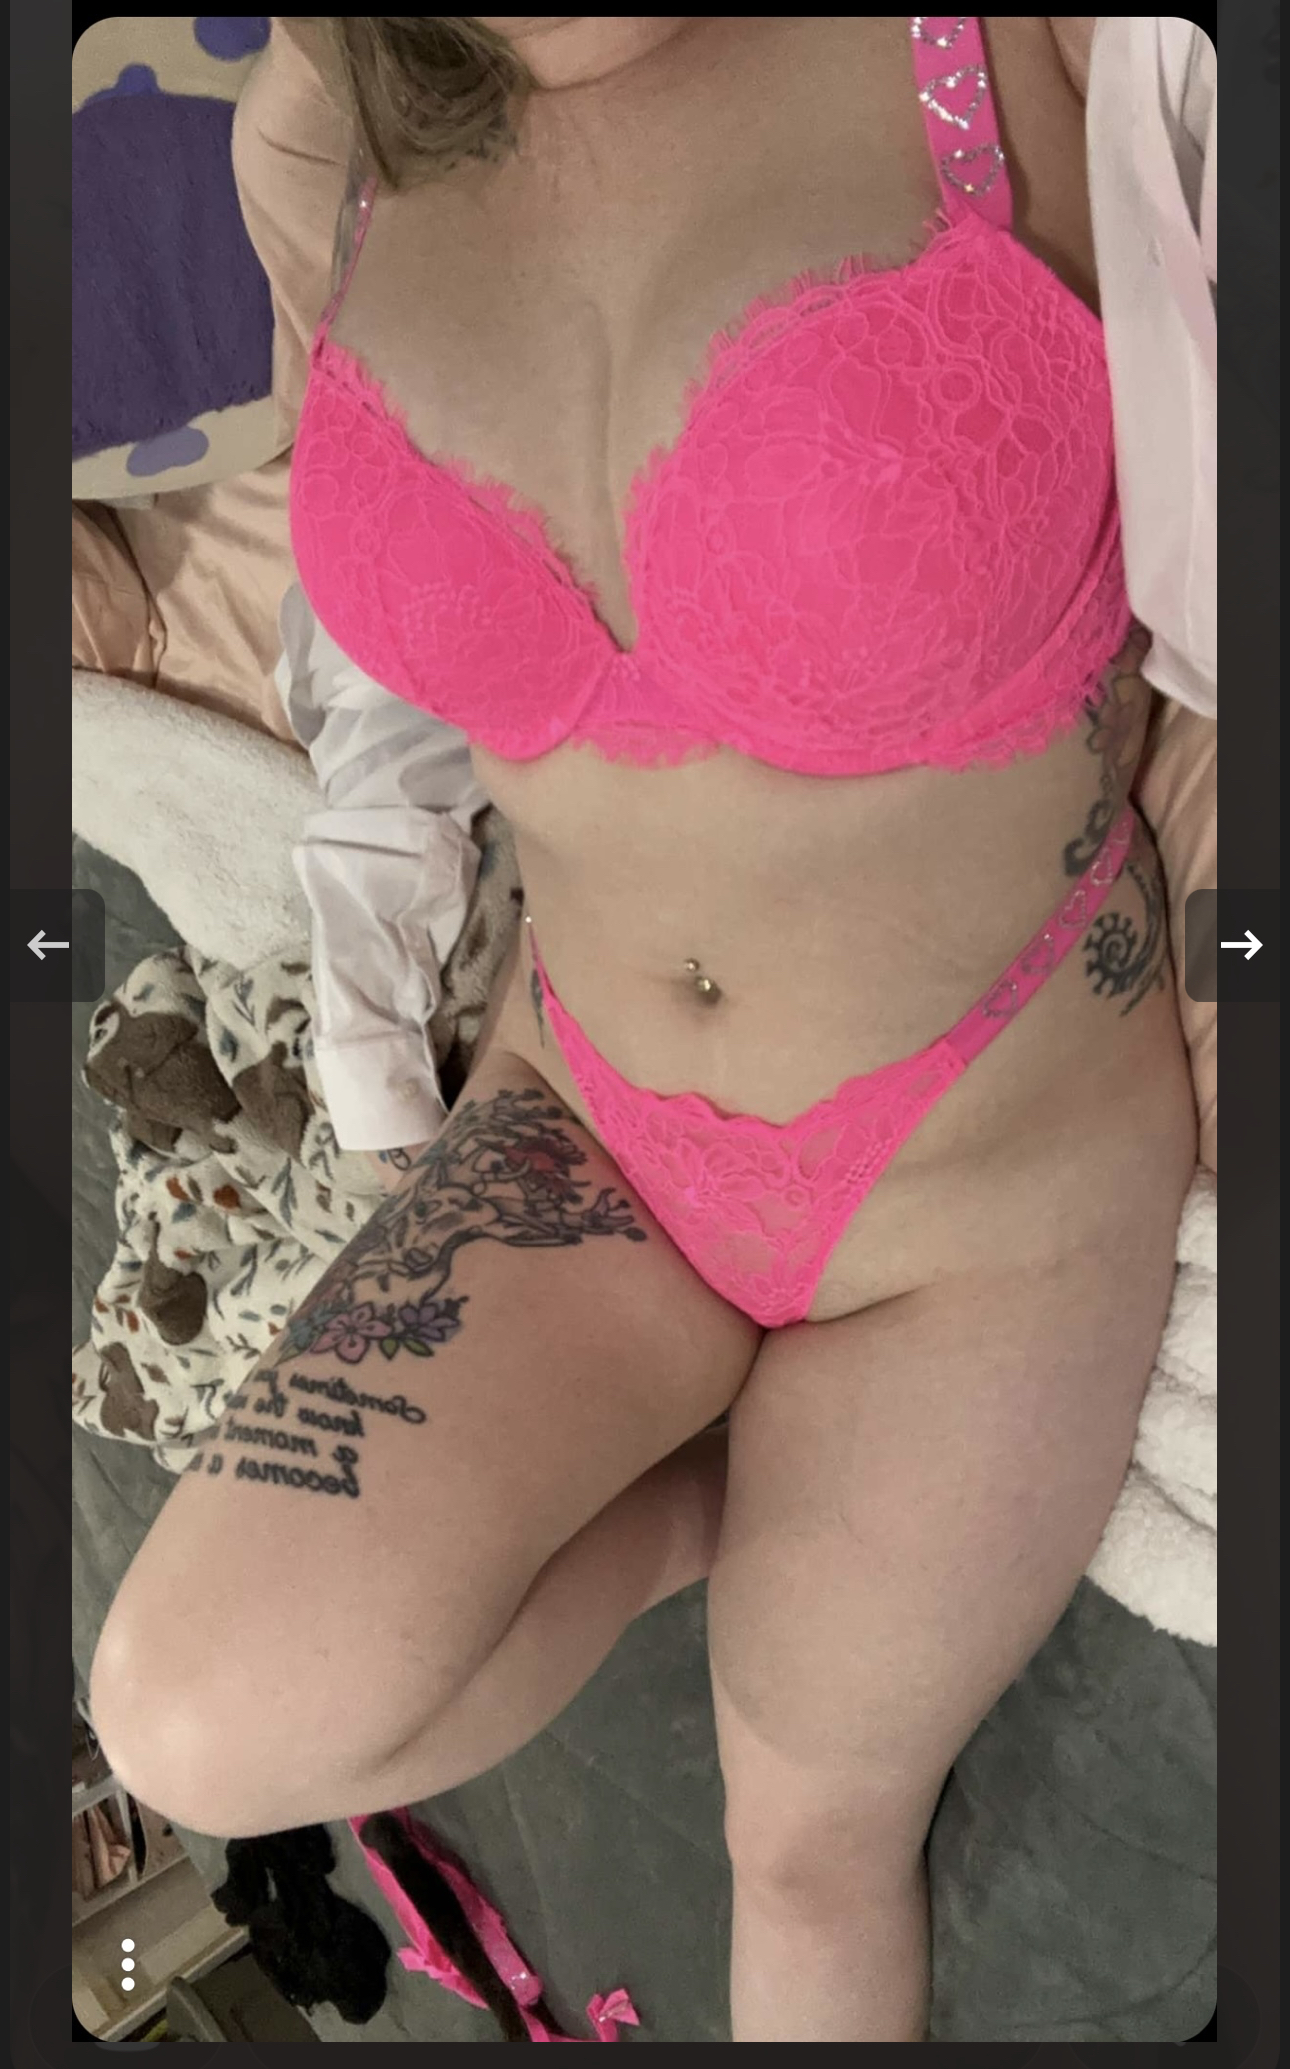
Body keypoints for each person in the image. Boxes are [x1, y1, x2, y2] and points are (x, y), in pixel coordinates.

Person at [91, 19, 1199, 2042]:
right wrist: (377, 1018)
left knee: (808, 1855)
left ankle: (757, 1510)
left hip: (977, 1184)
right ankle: (712, 1507)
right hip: (583, 1128)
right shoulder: (332, 116)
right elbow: (392, 674)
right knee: (189, 1721)